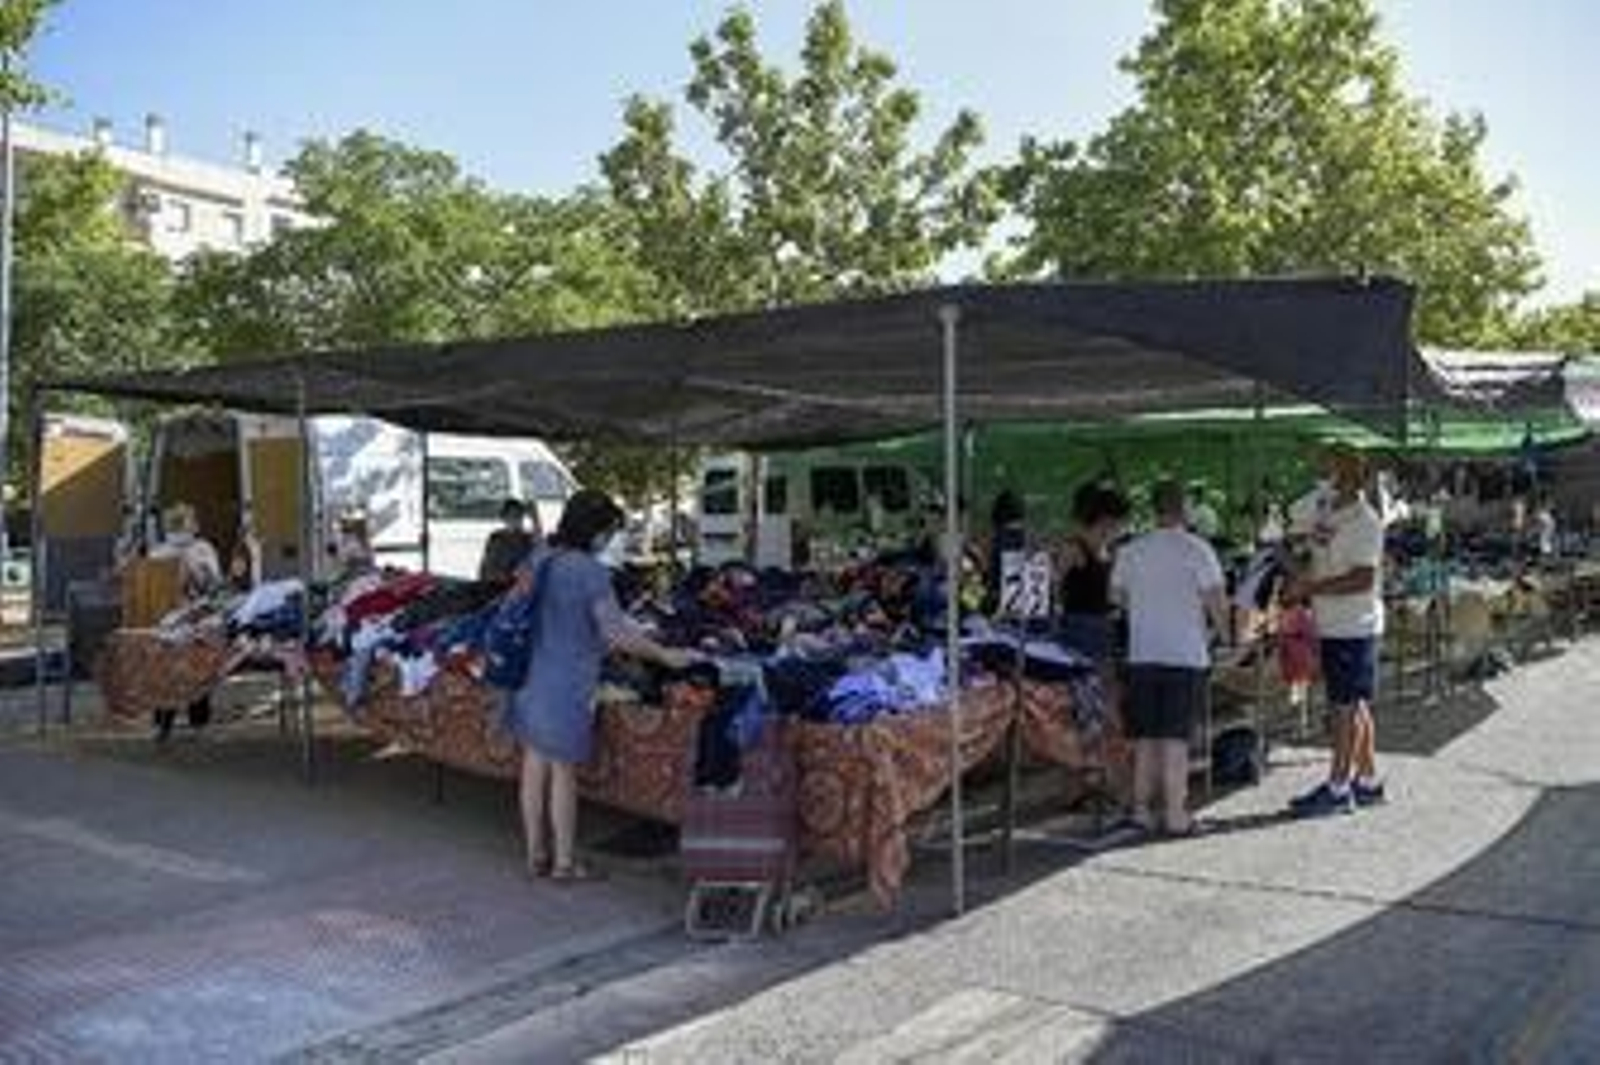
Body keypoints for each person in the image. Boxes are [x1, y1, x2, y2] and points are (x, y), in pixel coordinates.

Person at [505, 489, 693, 882]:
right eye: (609, 531)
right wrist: (664, 655)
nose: (610, 539)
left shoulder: (539, 556)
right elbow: (617, 633)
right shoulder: (590, 572)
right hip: (566, 683)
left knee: (533, 765)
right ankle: (565, 864)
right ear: (595, 530)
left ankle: (535, 855)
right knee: (562, 773)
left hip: (528, 677)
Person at [1109, 480, 1229, 836]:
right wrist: (1226, 636)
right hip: (1186, 653)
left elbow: (1115, 596)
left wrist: (1146, 609)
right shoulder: (1198, 549)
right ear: (1185, 508)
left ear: (1154, 509)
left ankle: (1142, 810)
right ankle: (1176, 814)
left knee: (1145, 737)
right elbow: (1216, 602)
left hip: (1142, 651)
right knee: (1176, 739)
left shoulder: (1131, 551)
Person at [1286, 446, 1386, 816]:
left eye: (1327, 469)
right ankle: (1369, 781)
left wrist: (1309, 589)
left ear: (1346, 476)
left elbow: (1363, 579)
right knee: (1355, 704)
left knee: (1342, 708)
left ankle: (1339, 788)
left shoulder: (1366, 521)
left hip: (1354, 627)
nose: (1321, 475)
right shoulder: (1326, 507)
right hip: (1332, 624)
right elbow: (1294, 524)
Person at [148, 503, 224, 742]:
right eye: (193, 520)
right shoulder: (202, 550)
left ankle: (163, 725)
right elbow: (212, 585)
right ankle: (198, 724)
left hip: (164, 625)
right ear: (188, 524)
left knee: (166, 673)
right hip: (195, 620)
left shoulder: (156, 552)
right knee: (198, 670)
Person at [1056, 481, 1131, 663]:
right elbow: (1054, 582)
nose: (1119, 529)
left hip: (1103, 624)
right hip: (1081, 626)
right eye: (1116, 524)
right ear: (1104, 520)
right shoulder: (1075, 547)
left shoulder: (1107, 548)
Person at [479, 498, 537, 585]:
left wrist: (535, 519)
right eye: (512, 516)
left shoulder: (527, 539)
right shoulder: (497, 539)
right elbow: (487, 571)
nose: (515, 520)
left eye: (518, 516)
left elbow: (540, 552)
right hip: (500, 588)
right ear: (504, 518)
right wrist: (506, 577)